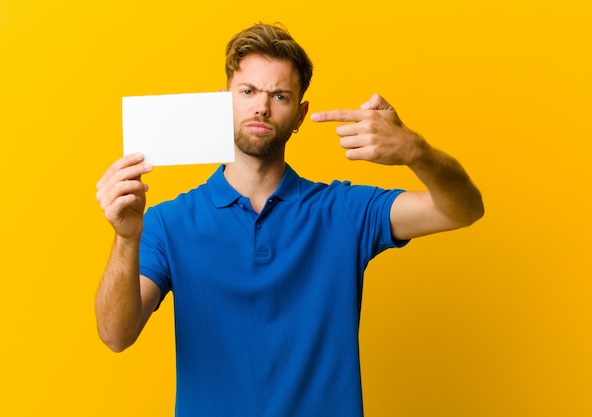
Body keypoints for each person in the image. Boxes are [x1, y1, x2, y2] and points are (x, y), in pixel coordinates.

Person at [95, 22, 483, 417]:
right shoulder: (168, 222)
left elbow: (462, 209)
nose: (261, 107)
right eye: (247, 92)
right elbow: (115, 335)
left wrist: (416, 151)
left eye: (279, 95)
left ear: (299, 115)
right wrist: (125, 239)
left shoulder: (344, 211)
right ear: (221, 102)